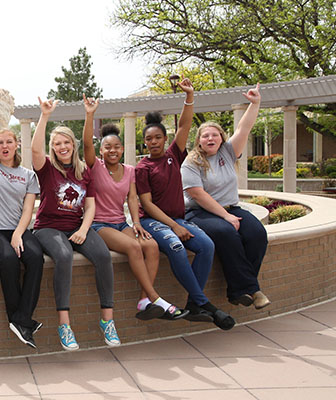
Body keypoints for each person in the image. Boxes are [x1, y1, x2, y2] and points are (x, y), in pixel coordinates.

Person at [135, 78, 236, 330]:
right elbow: (146, 205)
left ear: (164, 138)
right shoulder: (142, 168)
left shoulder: (173, 156)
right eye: (150, 139)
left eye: (159, 137)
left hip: (177, 219)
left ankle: (193, 304)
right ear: (145, 142)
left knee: (206, 246)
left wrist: (189, 97)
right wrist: (174, 227)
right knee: (177, 248)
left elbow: (185, 124)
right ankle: (206, 304)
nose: (154, 142)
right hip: (153, 221)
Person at [81, 96, 188, 322]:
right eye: (107, 147)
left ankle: (144, 301)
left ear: (122, 149)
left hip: (121, 222)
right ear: (101, 150)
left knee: (150, 245)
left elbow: (132, 198)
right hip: (100, 225)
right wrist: (90, 114)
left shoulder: (129, 169)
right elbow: (87, 145)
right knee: (133, 247)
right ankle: (156, 297)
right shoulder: (95, 167)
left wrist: (136, 223)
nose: (112, 150)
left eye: (116, 147)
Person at [30, 97, 120, 351]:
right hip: (48, 227)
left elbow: (90, 206)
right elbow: (35, 151)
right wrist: (44, 116)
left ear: (73, 144)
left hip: (76, 225)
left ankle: (107, 321)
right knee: (64, 255)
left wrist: (83, 229)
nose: (62, 147)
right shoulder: (46, 168)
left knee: (103, 255)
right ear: (53, 147)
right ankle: (64, 325)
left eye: (66, 142)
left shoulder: (84, 171)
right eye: (57, 143)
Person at [182, 84, 270, 310]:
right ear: (199, 140)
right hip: (200, 213)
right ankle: (252, 289)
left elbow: (244, 128)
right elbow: (197, 195)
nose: (210, 138)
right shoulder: (191, 161)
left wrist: (255, 103)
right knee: (226, 233)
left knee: (257, 233)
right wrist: (226, 217)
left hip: (231, 207)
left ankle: (239, 290)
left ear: (221, 138)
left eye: (214, 134)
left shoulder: (228, 152)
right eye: (205, 135)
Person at [0, 77, 43, 349]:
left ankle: (21, 318)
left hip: (17, 229)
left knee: (36, 258)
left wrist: (18, 234)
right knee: (8, 260)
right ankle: (17, 317)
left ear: (17, 145)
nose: (4, 146)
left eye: (8, 142)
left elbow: (29, 209)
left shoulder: (27, 175)